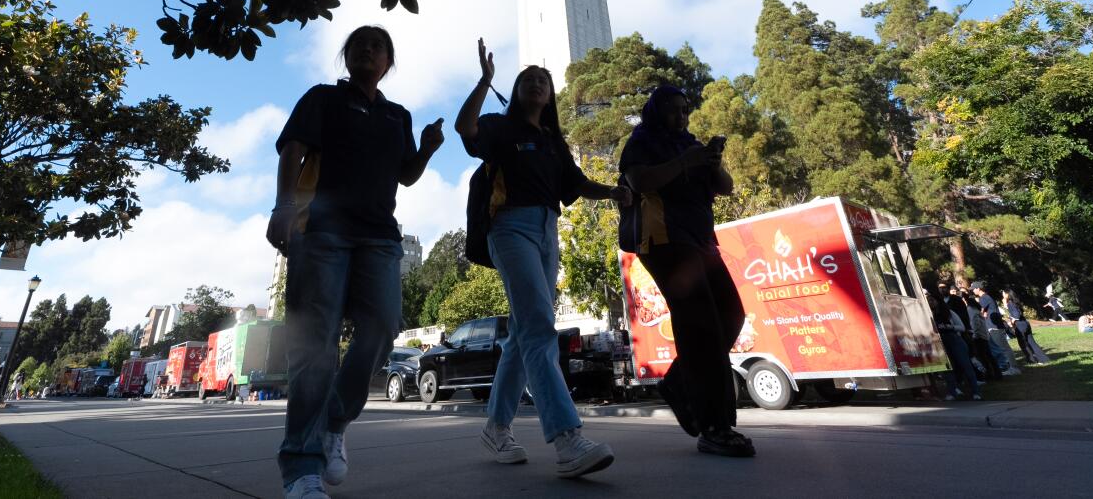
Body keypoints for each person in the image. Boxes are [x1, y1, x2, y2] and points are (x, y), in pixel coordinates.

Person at [269, 26, 444, 499]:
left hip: (379, 237)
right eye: (359, 44)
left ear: (389, 60)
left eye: (378, 45)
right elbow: (293, 149)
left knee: (384, 326)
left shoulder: (398, 115)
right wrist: (283, 207)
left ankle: (335, 421)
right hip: (321, 230)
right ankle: (302, 468)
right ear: (347, 57)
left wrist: (426, 149)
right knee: (316, 347)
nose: (368, 50)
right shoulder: (323, 98)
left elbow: (405, 176)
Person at [455, 39, 629, 479]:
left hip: (548, 230)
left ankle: (496, 427)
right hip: (509, 228)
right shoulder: (500, 127)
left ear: (550, 95)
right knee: (537, 326)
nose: (535, 84)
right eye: (527, 80)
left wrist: (611, 192)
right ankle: (568, 439)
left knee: (521, 333)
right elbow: (465, 127)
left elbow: (575, 182)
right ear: (515, 91)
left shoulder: (553, 141)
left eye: (542, 81)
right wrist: (484, 80)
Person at [618, 85, 755, 457]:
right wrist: (685, 163)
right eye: (674, 110)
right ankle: (715, 427)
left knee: (731, 314)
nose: (682, 116)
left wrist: (712, 162)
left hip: (702, 241)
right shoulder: (642, 140)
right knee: (702, 327)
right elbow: (639, 181)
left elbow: (725, 188)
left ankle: (679, 379)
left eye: (685, 110)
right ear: (656, 110)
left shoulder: (689, 144)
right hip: (664, 239)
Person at [928, 291, 981, 400]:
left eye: (932, 300)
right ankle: (952, 392)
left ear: (938, 301)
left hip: (954, 339)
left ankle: (976, 392)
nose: (930, 303)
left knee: (966, 365)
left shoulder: (949, 313)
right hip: (940, 342)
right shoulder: (929, 315)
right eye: (928, 301)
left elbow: (961, 327)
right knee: (947, 368)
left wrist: (949, 327)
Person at [971, 282, 1020, 376]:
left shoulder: (984, 298)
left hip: (994, 327)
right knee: (1002, 347)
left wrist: (982, 314)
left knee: (1004, 348)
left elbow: (980, 311)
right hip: (994, 326)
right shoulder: (986, 297)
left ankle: (1013, 368)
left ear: (978, 288)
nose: (973, 291)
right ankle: (1010, 366)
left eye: (973, 289)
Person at [1001, 289, 1049, 364]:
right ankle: (1043, 359)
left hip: (1019, 325)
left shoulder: (1010, 303)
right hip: (1025, 323)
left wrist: (1013, 320)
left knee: (1023, 344)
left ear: (1007, 295)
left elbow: (1016, 314)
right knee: (1032, 342)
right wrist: (1005, 305)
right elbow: (1016, 311)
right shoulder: (1015, 302)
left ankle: (1031, 360)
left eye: (1003, 294)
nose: (1002, 295)